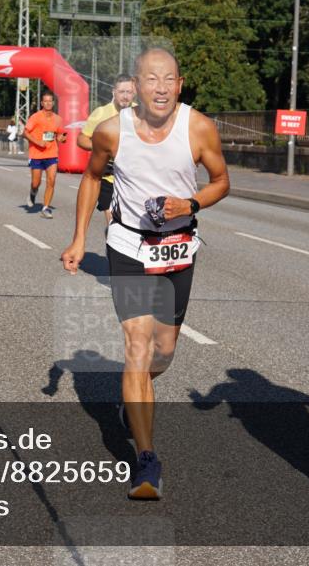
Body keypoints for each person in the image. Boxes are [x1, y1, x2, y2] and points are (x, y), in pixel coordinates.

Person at [61, 48, 230, 500]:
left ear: (179, 84)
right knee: (136, 347)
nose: (159, 87)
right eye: (150, 79)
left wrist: (190, 204)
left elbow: (221, 180)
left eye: (168, 79)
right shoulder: (112, 132)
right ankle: (147, 459)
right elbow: (92, 179)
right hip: (129, 245)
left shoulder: (198, 127)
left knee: (164, 352)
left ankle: (132, 398)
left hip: (178, 247)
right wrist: (79, 238)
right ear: (134, 86)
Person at [78, 74, 137, 228]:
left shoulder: (141, 112)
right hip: (108, 177)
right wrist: (102, 147)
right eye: (121, 92)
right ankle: (114, 242)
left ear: (134, 92)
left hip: (134, 178)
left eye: (129, 92)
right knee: (114, 223)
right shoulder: (101, 113)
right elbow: (82, 139)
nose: (125, 96)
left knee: (133, 223)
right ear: (114, 92)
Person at [24, 92, 67, 219]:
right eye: (45, 101)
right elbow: (25, 133)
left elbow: (61, 135)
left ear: (53, 103)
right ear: (42, 103)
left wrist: (61, 138)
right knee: (36, 183)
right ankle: (33, 192)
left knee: (51, 180)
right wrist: (38, 142)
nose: (48, 103)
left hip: (52, 153)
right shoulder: (35, 117)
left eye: (50, 101)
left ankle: (46, 207)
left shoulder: (58, 119)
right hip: (36, 154)